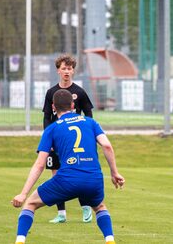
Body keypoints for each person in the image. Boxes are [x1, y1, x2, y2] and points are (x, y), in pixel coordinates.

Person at [12, 89, 125, 244]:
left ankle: (20, 241)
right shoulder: (91, 122)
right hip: (93, 179)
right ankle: (110, 240)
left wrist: (23, 193)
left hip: (67, 180)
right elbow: (107, 146)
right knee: (99, 207)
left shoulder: (51, 129)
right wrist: (114, 173)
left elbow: (40, 164)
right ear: (73, 105)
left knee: (30, 204)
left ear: (53, 107)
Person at [42, 54, 94, 223]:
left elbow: (89, 115)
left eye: (69, 68)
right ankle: (61, 214)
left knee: (79, 174)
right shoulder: (51, 92)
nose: (66, 71)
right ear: (58, 70)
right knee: (57, 176)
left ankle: (86, 208)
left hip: (74, 143)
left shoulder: (79, 92)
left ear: (73, 71)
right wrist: (48, 139)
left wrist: (90, 135)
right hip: (57, 141)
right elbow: (47, 117)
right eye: (63, 68)